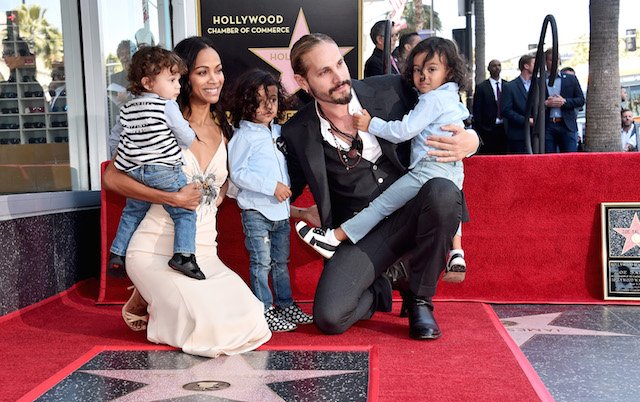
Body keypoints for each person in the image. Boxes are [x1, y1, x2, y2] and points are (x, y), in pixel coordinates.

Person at [281, 33, 479, 340]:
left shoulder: (391, 90)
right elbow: (283, 189)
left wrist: (473, 140)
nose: (339, 77)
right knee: (330, 317)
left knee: (442, 191)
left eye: (340, 64)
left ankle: (420, 299)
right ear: (303, 82)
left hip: (414, 217)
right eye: (324, 72)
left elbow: (447, 109)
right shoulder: (297, 131)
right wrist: (298, 211)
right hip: (363, 233)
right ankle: (384, 282)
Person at [102, 36, 271, 358]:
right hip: (153, 249)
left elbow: (232, 183)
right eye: (202, 72)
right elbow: (112, 177)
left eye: (218, 70)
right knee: (209, 326)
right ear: (182, 76)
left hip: (204, 253)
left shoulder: (227, 128)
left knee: (252, 317)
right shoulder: (158, 120)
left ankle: (151, 300)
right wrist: (172, 199)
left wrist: (218, 193)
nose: (214, 79)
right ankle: (150, 293)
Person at [227, 68, 314, 332]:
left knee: (281, 263)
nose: (268, 107)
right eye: (259, 101)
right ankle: (263, 310)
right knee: (261, 263)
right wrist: (271, 186)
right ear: (245, 103)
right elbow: (237, 173)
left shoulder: (278, 132)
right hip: (256, 212)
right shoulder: (243, 136)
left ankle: (285, 305)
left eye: (273, 100)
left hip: (280, 213)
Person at [108, 46, 205, 281]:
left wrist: (126, 159)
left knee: (132, 211)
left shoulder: (127, 108)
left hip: (134, 172)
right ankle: (184, 255)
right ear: (148, 83)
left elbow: (114, 139)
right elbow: (184, 134)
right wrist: (187, 141)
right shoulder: (166, 106)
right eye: (171, 80)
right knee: (184, 211)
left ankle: (118, 253)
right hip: (164, 170)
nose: (178, 86)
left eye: (178, 80)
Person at [543, 49, 585, 153]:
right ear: (546, 62)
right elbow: (531, 102)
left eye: (557, 59)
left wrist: (564, 101)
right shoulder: (539, 81)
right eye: (551, 60)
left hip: (567, 125)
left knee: (570, 157)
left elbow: (580, 100)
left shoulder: (571, 79)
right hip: (548, 125)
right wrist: (546, 103)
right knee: (549, 158)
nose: (554, 62)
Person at [501, 54, 535, 154]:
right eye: (534, 63)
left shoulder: (538, 84)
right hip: (518, 134)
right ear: (526, 66)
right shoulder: (510, 86)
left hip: (536, 134)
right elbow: (506, 110)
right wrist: (526, 121)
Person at [472, 59, 507, 154]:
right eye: (494, 66)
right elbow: (477, 110)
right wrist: (482, 128)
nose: (497, 68)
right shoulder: (481, 87)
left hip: (505, 128)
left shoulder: (507, 85)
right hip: (488, 129)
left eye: (499, 65)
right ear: (489, 68)